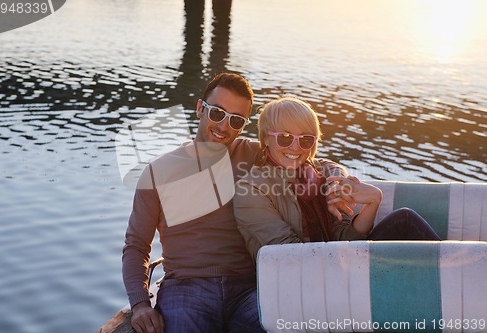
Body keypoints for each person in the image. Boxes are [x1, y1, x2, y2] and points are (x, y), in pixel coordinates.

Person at [122, 74, 351, 333]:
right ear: (200, 109)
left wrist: (336, 182)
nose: (224, 126)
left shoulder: (255, 155)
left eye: (235, 120)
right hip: (186, 287)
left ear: (243, 125)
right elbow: (136, 246)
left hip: (250, 286)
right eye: (217, 113)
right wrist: (140, 304)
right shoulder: (158, 172)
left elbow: (318, 164)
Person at [233, 96, 441, 262]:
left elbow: (346, 240)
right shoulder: (251, 191)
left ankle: (454, 285)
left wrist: (372, 201)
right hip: (299, 280)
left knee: (404, 220)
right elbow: (291, 255)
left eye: (305, 139)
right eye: (285, 138)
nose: (295, 147)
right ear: (265, 139)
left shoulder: (316, 174)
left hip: (338, 264)